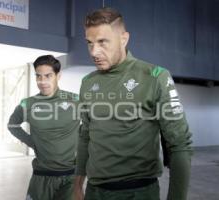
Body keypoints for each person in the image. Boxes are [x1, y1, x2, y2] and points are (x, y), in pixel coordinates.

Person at [74, 7, 192, 200]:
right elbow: (85, 135)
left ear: (123, 39)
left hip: (137, 193)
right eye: (89, 43)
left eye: (103, 42)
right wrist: (77, 184)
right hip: (94, 192)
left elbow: (180, 145)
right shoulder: (88, 83)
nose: (94, 51)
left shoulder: (155, 76)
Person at [8, 55, 79, 200]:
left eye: (48, 76)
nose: (42, 81)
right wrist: (32, 142)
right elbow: (12, 125)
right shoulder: (27, 104)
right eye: (38, 76)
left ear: (58, 76)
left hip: (71, 176)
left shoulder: (75, 100)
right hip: (41, 176)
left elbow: (93, 124)